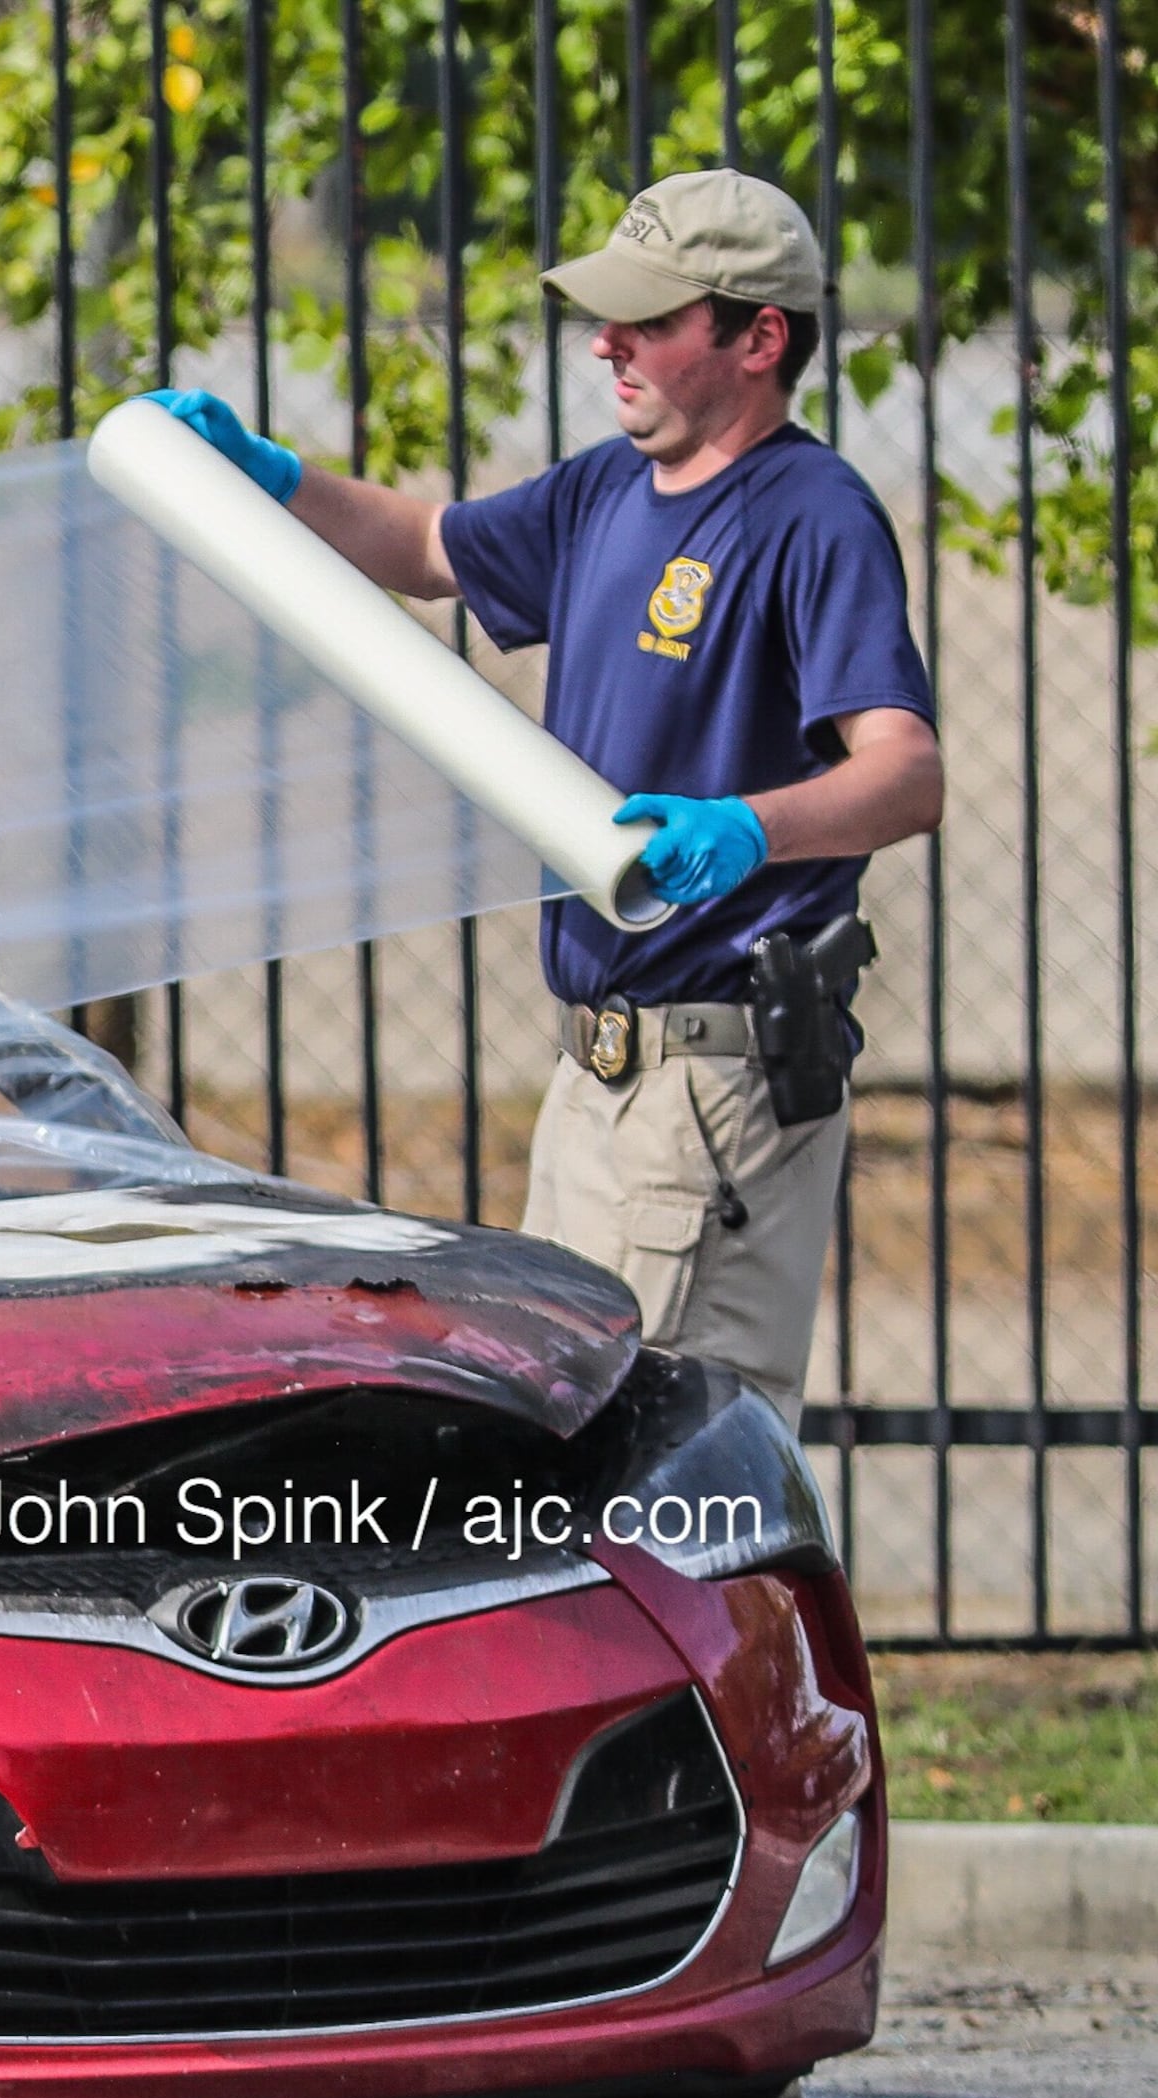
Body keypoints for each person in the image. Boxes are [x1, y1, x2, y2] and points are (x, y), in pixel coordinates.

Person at [146, 169, 941, 1425]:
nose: (607, 343)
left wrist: (747, 829)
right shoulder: (607, 491)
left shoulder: (811, 513)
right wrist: (270, 475)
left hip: (711, 1083)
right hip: (600, 1076)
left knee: (666, 1468)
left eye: (651, 319)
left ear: (758, 336)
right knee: (578, 1456)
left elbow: (906, 770)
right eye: (608, 313)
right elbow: (425, 548)